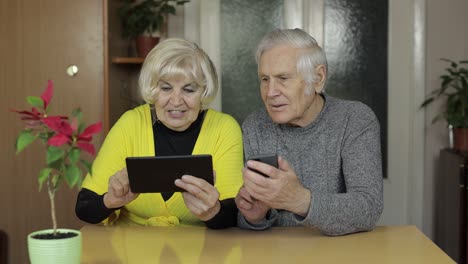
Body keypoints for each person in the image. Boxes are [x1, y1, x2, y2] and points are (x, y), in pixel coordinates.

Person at [75, 38, 243, 228]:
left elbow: (236, 216)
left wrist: (213, 212)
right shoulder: (131, 124)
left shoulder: (224, 129)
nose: (177, 100)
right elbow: (84, 208)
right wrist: (111, 200)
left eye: (189, 89)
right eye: (166, 88)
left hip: (198, 253)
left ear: (204, 92)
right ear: (152, 90)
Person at [235, 28, 383, 236]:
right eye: (265, 79)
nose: (270, 93)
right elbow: (251, 225)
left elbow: (367, 208)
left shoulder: (354, 119)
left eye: (283, 78)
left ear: (318, 78)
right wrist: (255, 216)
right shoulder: (255, 125)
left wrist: (299, 200)